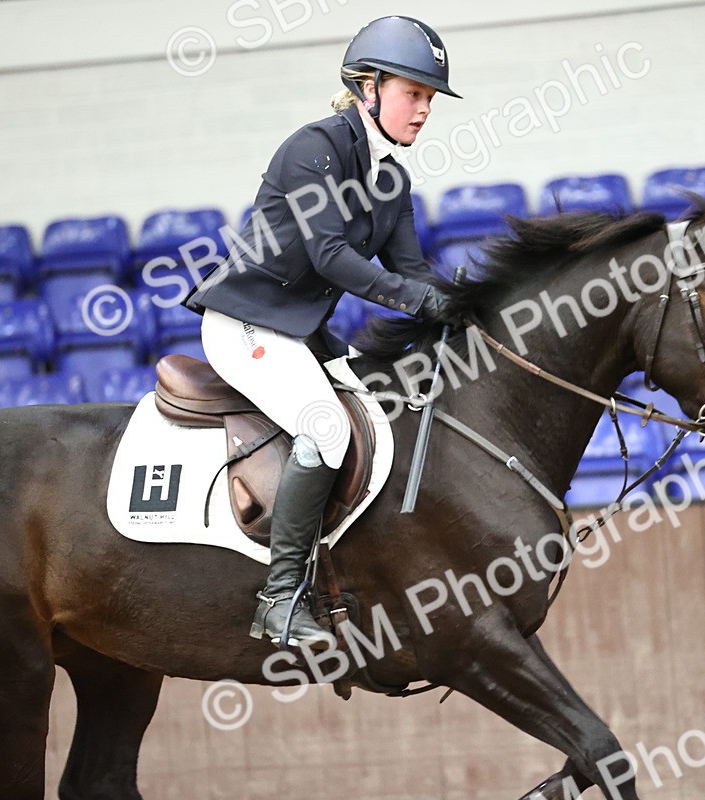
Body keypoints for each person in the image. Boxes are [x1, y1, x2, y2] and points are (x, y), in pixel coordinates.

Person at [184, 16, 460, 650]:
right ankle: (279, 601)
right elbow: (331, 255)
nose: (424, 111)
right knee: (327, 428)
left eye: (430, 99)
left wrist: (466, 308)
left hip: (301, 335)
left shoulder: (393, 178)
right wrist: (420, 299)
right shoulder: (314, 149)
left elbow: (412, 272)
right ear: (368, 88)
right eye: (412, 93)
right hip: (247, 324)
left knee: (381, 407)